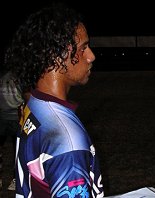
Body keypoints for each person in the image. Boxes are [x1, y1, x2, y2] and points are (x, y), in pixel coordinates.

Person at [4, 3, 104, 197]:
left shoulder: (34, 104)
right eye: (83, 48)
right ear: (57, 57)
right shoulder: (67, 140)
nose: (91, 56)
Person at [0, 69, 23, 191]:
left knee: (15, 151)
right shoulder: (20, 76)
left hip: (5, 117)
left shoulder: (4, 77)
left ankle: (14, 180)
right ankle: (15, 180)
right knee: (17, 151)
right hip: (14, 118)